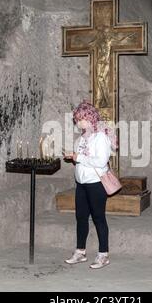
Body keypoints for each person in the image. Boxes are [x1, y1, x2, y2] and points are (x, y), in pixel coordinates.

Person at [63, 101, 118, 269]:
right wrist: (72, 155)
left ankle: (103, 255)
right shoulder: (81, 138)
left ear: (91, 118)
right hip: (81, 184)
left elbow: (101, 162)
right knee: (80, 218)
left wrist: (77, 157)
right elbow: (81, 160)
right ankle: (80, 252)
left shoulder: (100, 137)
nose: (79, 123)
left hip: (95, 184)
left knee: (98, 218)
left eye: (82, 119)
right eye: (77, 119)